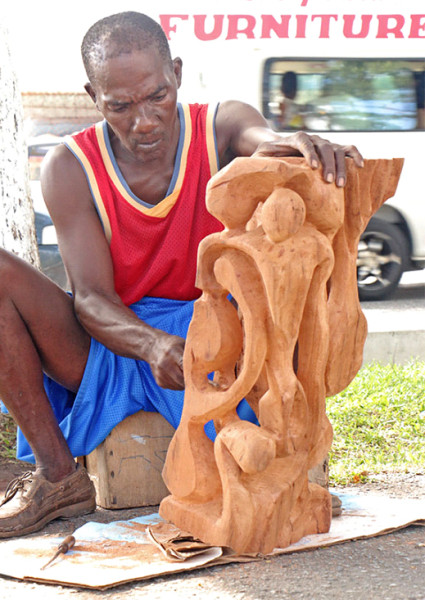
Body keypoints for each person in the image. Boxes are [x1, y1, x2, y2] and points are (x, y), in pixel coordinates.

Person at [0, 11, 363, 539]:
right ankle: (57, 478)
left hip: (215, 343)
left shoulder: (221, 126)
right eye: (120, 106)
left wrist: (290, 146)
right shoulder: (69, 166)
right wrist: (153, 347)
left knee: (256, 458)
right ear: (92, 95)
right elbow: (94, 301)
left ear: (176, 73)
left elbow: (259, 140)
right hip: (116, 344)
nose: (143, 121)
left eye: (156, 96)